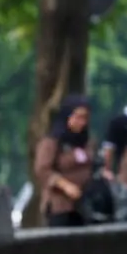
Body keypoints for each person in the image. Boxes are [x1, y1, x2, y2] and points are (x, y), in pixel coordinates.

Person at [33, 94, 96, 228]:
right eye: (78, 117)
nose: (82, 122)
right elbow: (42, 170)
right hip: (60, 206)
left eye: (85, 118)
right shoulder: (52, 142)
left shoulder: (86, 142)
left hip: (85, 204)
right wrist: (65, 185)